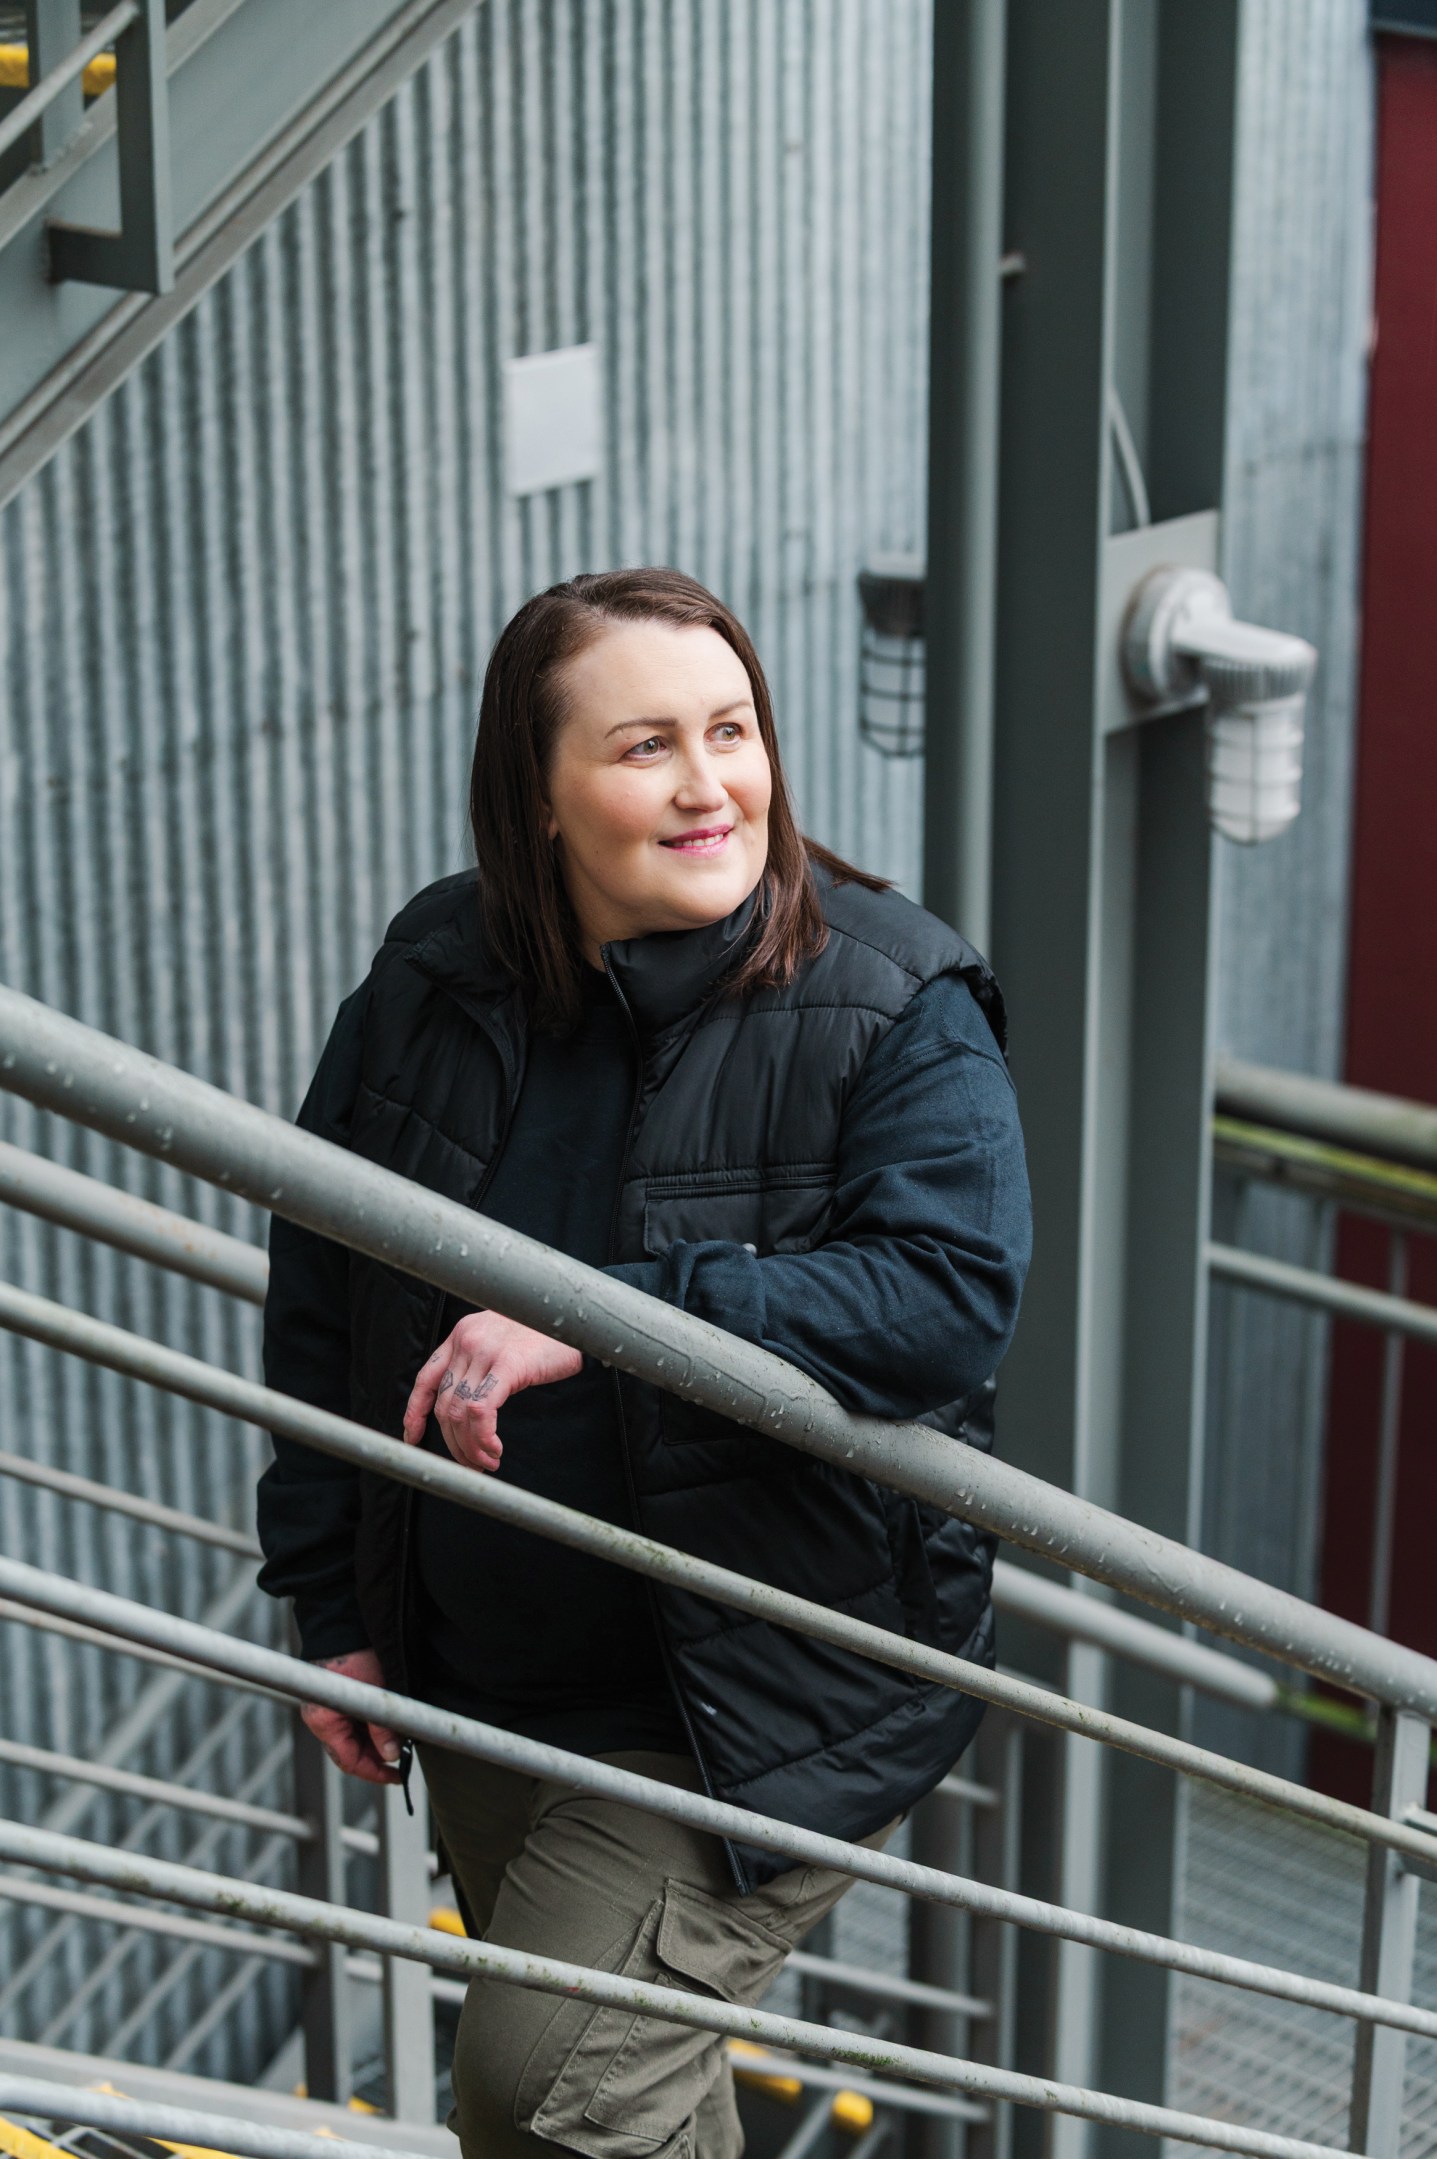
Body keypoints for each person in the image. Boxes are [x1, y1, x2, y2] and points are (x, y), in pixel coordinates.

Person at [256, 567, 1031, 2159]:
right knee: (618, 2098)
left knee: (544, 2084)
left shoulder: (890, 1002)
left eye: (731, 731)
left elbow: (947, 1296)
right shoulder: (434, 974)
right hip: (480, 1673)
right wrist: (332, 1604)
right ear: (534, 796)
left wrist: (609, 1311)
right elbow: (326, 1286)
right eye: (644, 747)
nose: (708, 786)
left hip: (746, 1700)